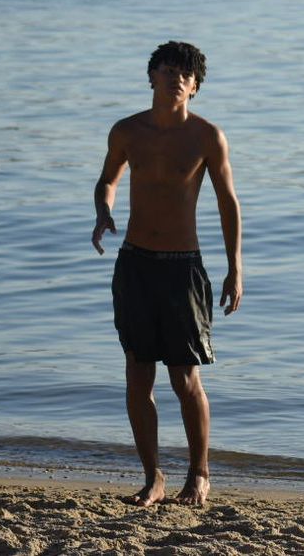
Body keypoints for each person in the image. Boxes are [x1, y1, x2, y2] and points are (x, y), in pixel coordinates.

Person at [92, 41, 243, 507]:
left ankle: (199, 474)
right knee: (138, 375)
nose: (176, 77)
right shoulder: (127, 131)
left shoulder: (206, 137)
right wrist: (103, 212)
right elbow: (108, 179)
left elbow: (227, 202)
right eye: (168, 69)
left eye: (186, 73)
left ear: (195, 87)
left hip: (183, 268)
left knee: (184, 378)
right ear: (152, 76)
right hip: (136, 263)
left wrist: (235, 269)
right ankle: (153, 477)